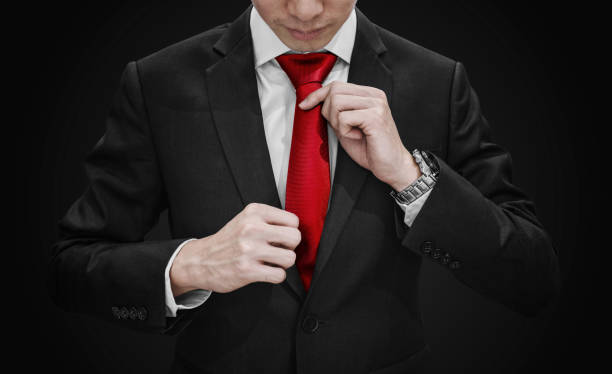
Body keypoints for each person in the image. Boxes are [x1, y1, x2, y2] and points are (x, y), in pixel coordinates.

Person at [48, 1, 561, 373]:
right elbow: (70, 268)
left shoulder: (436, 81)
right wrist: (191, 266)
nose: (307, 9)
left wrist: (411, 177)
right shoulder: (158, 82)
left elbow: (532, 276)